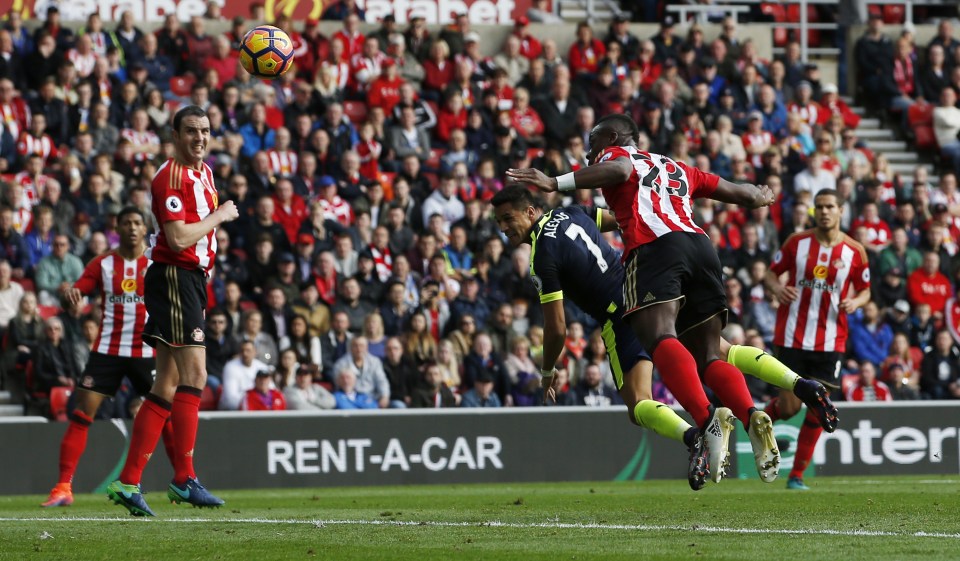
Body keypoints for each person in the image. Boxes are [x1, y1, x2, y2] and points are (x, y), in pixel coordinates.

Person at [507, 115, 840, 484]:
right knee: (712, 351)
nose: (589, 153)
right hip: (701, 248)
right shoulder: (674, 166)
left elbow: (618, 169)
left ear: (615, 137)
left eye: (593, 143)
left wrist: (555, 182)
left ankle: (704, 422)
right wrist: (761, 195)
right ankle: (773, 399)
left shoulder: (616, 158)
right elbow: (742, 193)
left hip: (654, 254)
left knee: (660, 340)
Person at [108, 106, 239, 516]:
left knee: (166, 383)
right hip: (174, 276)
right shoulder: (171, 176)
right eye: (191, 131)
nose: (199, 138)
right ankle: (184, 478)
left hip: (191, 280)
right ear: (175, 134)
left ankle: (128, 482)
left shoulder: (205, 172)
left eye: (205, 130)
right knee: (195, 375)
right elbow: (179, 237)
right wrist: (220, 216)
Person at [42, 207, 177, 508]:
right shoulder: (102, 264)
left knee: (166, 417)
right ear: (118, 228)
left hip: (146, 350)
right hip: (108, 350)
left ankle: (181, 479)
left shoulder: (156, 261)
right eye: (126, 223)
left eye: (137, 223)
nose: (132, 228)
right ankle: (63, 486)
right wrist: (70, 296)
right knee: (81, 414)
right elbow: (78, 291)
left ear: (145, 229)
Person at [764, 189, 872, 490]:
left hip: (829, 342)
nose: (824, 212)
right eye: (819, 207)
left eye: (830, 207)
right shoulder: (796, 243)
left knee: (817, 407)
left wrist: (857, 302)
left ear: (841, 210)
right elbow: (771, 275)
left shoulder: (854, 252)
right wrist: (777, 289)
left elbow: (866, 290)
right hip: (791, 337)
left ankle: (796, 475)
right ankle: (756, 420)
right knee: (788, 409)